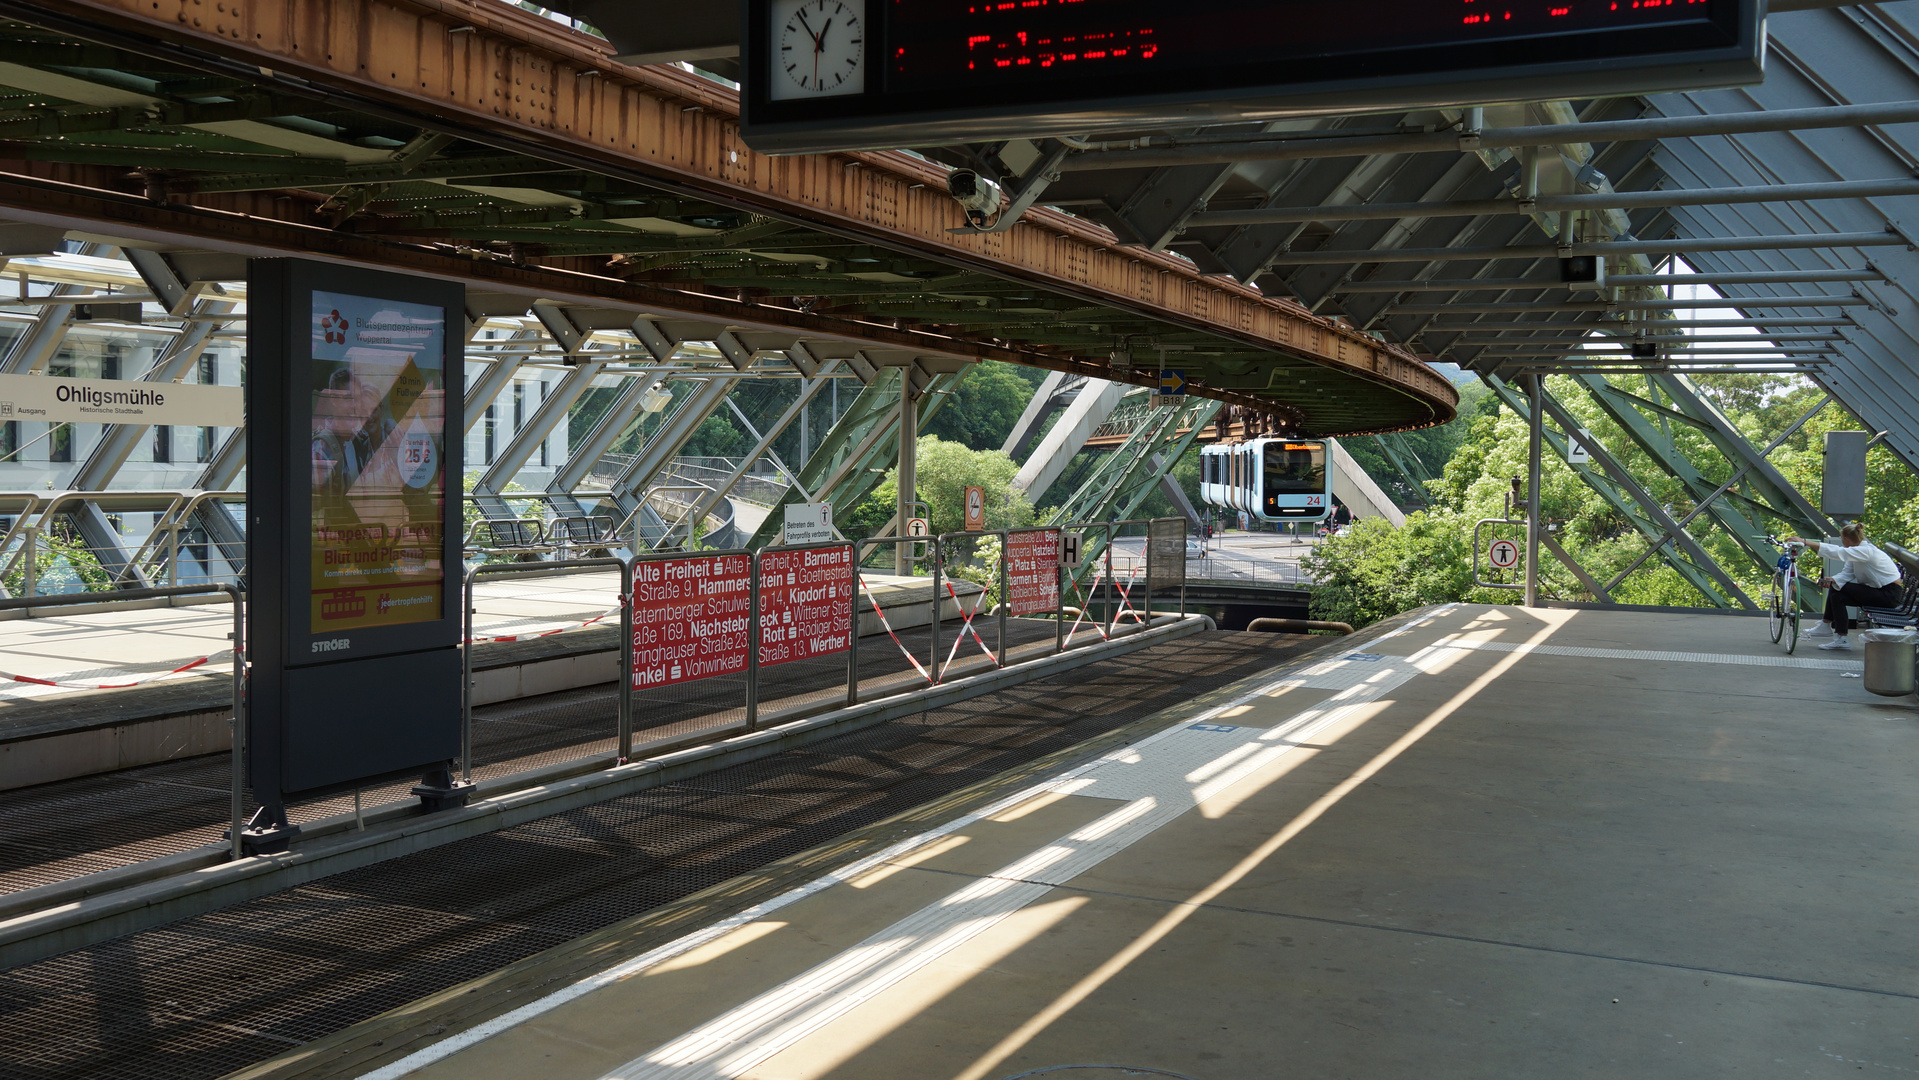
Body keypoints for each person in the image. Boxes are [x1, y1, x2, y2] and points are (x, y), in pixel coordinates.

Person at [1782, 522, 1904, 651]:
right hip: (1882, 592)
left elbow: (1837, 552)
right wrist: (1834, 580)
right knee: (1838, 594)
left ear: (1845, 539)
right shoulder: (1860, 551)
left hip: (1889, 594)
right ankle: (1839, 636)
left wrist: (1805, 541)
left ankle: (1829, 628)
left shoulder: (1866, 551)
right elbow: (1848, 573)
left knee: (1837, 589)